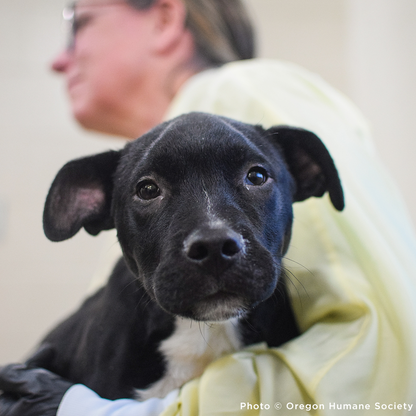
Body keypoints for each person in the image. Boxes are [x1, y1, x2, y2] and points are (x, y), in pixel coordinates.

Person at [1, 0, 416, 415]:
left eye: (79, 22)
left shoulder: (242, 89)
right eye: (148, 190)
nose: (58, 60)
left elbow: (377, 350)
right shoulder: (138, 170)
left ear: (164, 17)